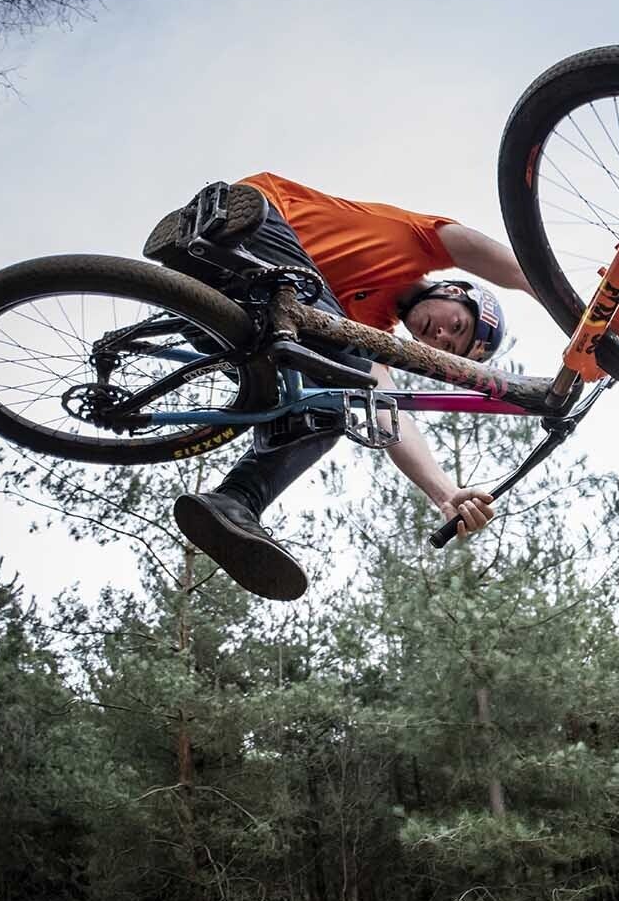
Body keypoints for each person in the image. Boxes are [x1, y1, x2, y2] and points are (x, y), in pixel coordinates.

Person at [145, 173, 532, 600]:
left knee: (330, 408)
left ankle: (234, 502)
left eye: (449, 345)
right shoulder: (418, 242)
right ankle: (219, 246)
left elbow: (386, 409)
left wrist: (444, 493)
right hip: (258, 221)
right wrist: (571, 305)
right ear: (454, 291)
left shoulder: (372, 339)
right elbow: (506, 264)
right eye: (455, 323)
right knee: (343, 368)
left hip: (240, 309)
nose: (440, 337)